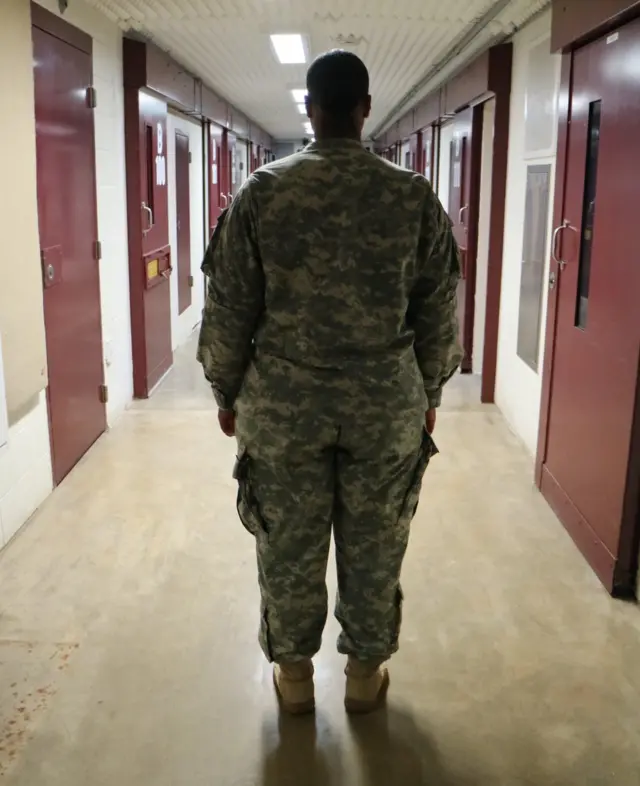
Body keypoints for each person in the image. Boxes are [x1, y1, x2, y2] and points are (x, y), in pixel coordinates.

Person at [197, 49, 462, 715]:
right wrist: (429, 392)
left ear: (309, 111)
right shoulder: (412, 197)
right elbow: (438, 306)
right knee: (376, 545)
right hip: (384, 407)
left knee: (287, 546)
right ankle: (365, 680)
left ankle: (292, 684)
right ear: (365, 108)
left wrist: (226, 391)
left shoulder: (263, 193)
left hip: (285, 409)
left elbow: (230, 307)